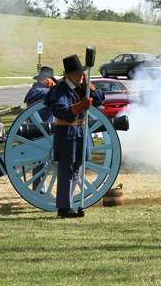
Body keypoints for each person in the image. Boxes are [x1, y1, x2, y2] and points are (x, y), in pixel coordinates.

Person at [44, 54, 104, 218]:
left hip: (79, 134)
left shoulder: (80, 86)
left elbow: (99, 99)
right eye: (78, 73)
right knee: (66, 171)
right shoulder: (61, 89)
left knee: (77, 169)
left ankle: (68, 204)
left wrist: (89, 86)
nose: (80, 76)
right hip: (67, 134)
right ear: (68, 74)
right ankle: (64, 208)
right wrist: (80, 106)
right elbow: (62, 112)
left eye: (82, 73)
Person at [24, 66, 57, 192]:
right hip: (38, 130)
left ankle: (39, 187)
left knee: (44, 162)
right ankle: (39, 188)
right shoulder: (37, 90)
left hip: (45, 130)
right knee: (40, 162)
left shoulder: (47, 91)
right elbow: (32, 97)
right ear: (43, 80)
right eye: (50, 80)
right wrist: (55, 89)